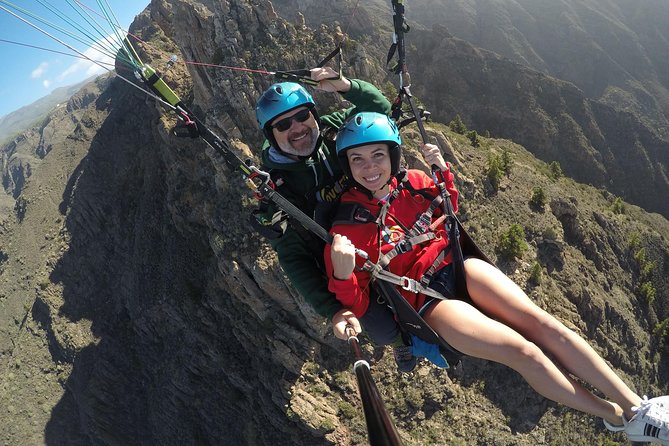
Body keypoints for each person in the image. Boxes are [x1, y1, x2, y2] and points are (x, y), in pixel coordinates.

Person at [324, 111, 669, 444]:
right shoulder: (346, 228)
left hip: (455, 264)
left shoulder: (414, 182)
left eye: (377, 155)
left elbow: (448, 210)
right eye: (358, 160)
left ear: (392, 156)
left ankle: (637, 408)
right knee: (524, 352)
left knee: (541, 323)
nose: (370, 167)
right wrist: (342, 272)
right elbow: (359, 303)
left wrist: (443, 173)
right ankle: (612, 414)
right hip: (426, 300)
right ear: (347, 165)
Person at [253, 68, 416, 368]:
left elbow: (379, 114)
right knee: (382, 328)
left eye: (302, 116)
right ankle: (401, 342)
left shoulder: (332, 131)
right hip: (343, 261)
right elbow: (293, 258)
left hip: (377, 223)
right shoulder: (279, 191)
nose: (297, 127)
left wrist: (346, 86)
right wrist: (334, 311)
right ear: (271, 135)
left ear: (314, 115)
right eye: (284, 124)